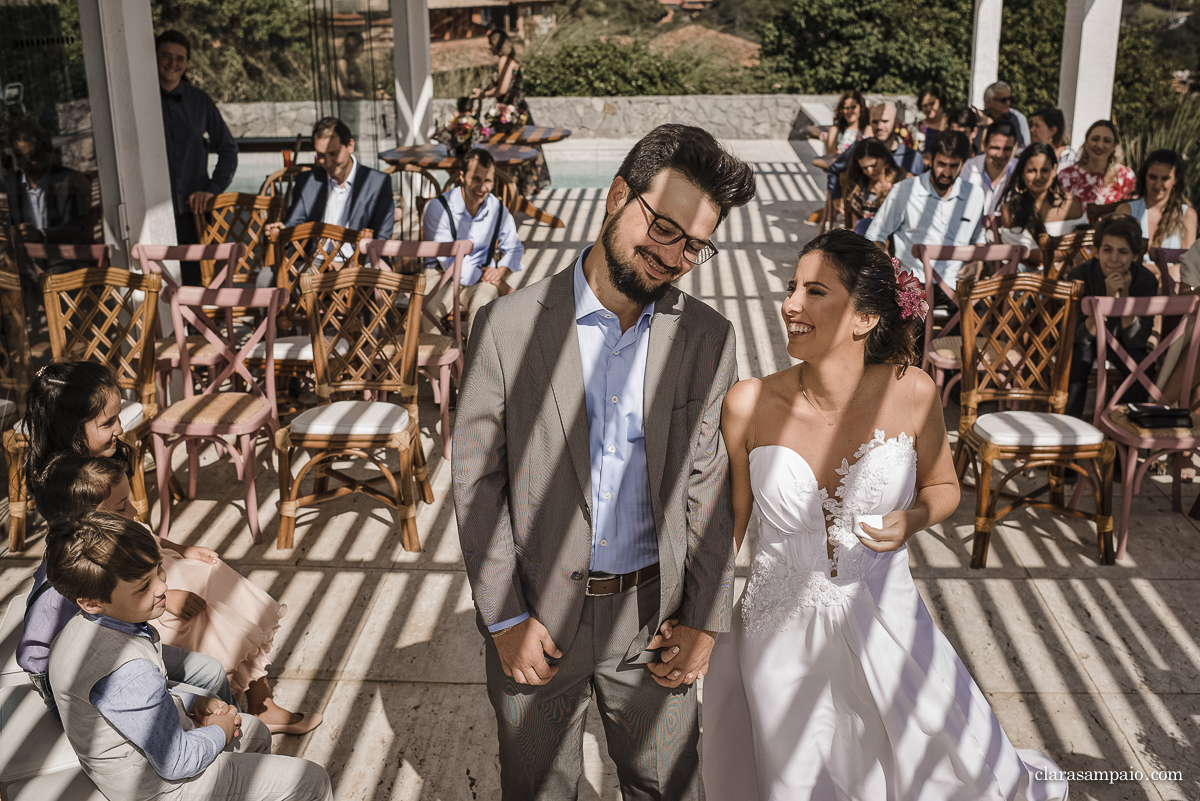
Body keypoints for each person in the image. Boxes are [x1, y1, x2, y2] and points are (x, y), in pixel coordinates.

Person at [697, 228, 1068, 801]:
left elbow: (944, 485)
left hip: (888, 620)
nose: (791, 304)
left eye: (814, 291)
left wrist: (913, 519)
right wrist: (699, 617)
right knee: (796, 775)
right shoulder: (747, 403)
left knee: (916, 767)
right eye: (792, 287)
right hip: (778, 636)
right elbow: (731, 525)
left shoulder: (913, 392)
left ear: (865, 318)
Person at [453, 123, 756, 799]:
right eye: (665, 228)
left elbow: (709, 482)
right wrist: (503, 617)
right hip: (535, 617)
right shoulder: (506, 326)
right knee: (538, 790)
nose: (673, 256)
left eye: (694, 246)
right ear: (619, 194)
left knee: (669, 787)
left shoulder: (708, 338)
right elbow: (477, 480)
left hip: (655, 624)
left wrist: (707, 614)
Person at [22, 360, 321, 735]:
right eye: (107, 423)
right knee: (204, 610)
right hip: (120, 579)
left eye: (118, 418)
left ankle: (259, 702)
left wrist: (178, 547)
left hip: (139, 555)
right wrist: (166, 591)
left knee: (213, 572)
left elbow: (130, 521)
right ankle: (225, 711)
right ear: (70, 427)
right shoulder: (71, 489)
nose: (120, 429)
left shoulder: (104, 462)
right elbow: (95, 567)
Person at [44, 510, 334, 801]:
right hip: (160, 787)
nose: (162, 587)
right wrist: (218, 731)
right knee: (311, 781)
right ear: (93, 602)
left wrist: (193, 702)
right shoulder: (127, 669)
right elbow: (175, 762)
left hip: (143, 762)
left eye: (158, 569)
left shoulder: (83, 627)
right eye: (144, 586)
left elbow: (136, 708)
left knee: (255, 730)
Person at [156, 30, 238, 286]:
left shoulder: (199, 101)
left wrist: (211, 190)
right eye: (166, 56)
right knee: (158, 282)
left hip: (193, 212)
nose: (173, 63)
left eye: (180, 58)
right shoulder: (141, 101)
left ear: (187, 63)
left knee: (194, 283)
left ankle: (192, 328)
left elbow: (228, 149)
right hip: (154, 210)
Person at [866, 129, 987, 289]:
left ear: (963, 164)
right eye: (941, 164)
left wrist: (977, 263)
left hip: (958, 284)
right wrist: (891, 270)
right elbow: (875, 235)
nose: (946, 172)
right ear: (930, 159)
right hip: (913, 284)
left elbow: (978, 240)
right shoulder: (906, 190)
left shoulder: (975, 195)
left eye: (953, 166)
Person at [421, 147, 524, 335]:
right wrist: (497, 282)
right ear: (462, 177)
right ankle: (439, 363)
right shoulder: (438, 208)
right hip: (440, 275)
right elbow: (447, 260)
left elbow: (515, 248)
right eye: (476, 179)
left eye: (487, 181)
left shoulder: (497, 208)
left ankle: (476, 364)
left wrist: (500, 271)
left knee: (484, 312)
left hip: (481, 276)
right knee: (425, 312)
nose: (482, 188)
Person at [1064, 214, 1158, 420]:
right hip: (1088, 339)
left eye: (1123, 252)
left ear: (1134, 256)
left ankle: (1122, 434)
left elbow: (1136, 340)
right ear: (1096, 252)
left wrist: (1124, 297)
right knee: (1077, 360)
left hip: (1123, 342)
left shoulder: (1146, 281)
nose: (1114, 258)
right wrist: (1106, 300)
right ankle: (1069, 428)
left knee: (1142, 367)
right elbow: (1080, 337)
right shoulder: (1079, 276)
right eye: (1107, 250)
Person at [4, 120, 93, 324]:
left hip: (60, 258)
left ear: (46, 152)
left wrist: (42, 235)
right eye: (21, 157)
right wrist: (14, 232)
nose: (28, 162)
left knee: (59, 285)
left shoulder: (67, 179)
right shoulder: (10, 185)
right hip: (23, 262)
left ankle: (67, 339)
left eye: (33, 156)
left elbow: (80, 230)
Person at [275, 117, 394, 239]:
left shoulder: (377, 182)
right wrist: (282, 230)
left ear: (350, 146)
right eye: (321, 155)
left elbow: (381, 238)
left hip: (359, 257)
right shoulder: (307, 181)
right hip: (315, 257)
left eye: (333, 153)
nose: (328, 162)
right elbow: (294, 223)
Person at [471, 28, 550, 197]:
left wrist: (484, 94)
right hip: (518, 109)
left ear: (496, 44)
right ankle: (520, 187)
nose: (489, 48)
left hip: (509, 112)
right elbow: (498, 85)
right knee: (523, 147)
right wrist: (483, 91)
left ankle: (509, 188)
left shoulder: (504, 60)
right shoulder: (511, 59)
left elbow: (502, 89)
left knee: (507, 148)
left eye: (490, 44)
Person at [995, 143, 1087, 265]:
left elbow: (1086, 245)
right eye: (1031, 171)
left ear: (1054, 170)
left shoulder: (1070, 205)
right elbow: (1033, 256)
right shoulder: (1011, 210)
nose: (1038, 177)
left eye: (1044, 170)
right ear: (1022, 172)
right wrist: (1072, 251)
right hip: (1028, 279)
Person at [1121, 149, 1197, 251]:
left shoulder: (1187, 215)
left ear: (1175, 180)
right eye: (1153, 177)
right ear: (1145, 176)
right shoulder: (1127, 211)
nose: (1157, 185)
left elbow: (1188, 262)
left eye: (1165, 178)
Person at [1058, 120, 1136, 206]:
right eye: (1095, 139)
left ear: (1114, 146)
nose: (1099, 145)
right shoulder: (1067, 175)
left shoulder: (1125, 177)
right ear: (1086, 143)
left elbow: (1133, 210)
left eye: (1107, 141)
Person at [842, 138, 908, 236]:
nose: (869, 171)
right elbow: (855, 227)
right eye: (864, 168)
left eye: (873, 165)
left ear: (885, 159)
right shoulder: (859, 189)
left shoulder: (903, 182)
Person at [961, 121, 1017, 215]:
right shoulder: (967, 169)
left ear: (1015, 147)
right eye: (995, 148)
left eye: (1007, 149)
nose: (1000, 155)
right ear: (984, 145)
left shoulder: (1020, 172)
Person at [982, 80, 1030, 147]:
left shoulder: (1018, 118)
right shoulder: (979, 119)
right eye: (1003, 100)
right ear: (989, 102)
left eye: (1010, 99)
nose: (1008, 103)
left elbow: (1022, 148)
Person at [825, 89, 869, 157]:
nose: (850, 111)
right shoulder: (835, 131)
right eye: (846, 108)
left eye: (853, 107)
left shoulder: (867, 130)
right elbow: (830, 158)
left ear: (861, 107)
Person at [916, 84, 949, 156]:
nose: (928, 108)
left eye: (932, 104)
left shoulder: (950, 125)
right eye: (925, 105)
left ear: (941, 102)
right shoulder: (918, 127)